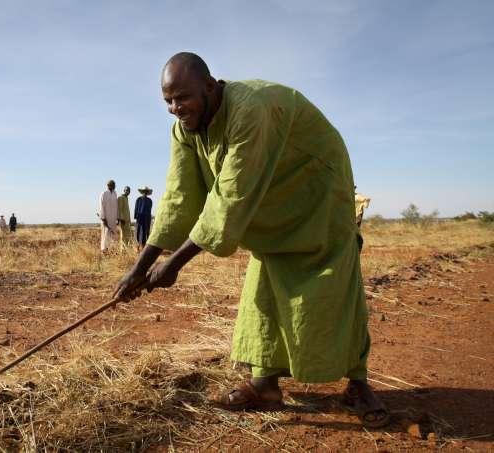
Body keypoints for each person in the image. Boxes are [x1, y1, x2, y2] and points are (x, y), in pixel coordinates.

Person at [112, 52, 388, 428]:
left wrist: (172, 265)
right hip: (270, 198)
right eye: (168, 100)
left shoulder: (249, 110)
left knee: (333, 281)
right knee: (265, 280)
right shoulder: (184, 131)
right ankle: (266, 386)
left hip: (316, 184)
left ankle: (358, 383)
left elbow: (228, 200)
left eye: (183, 97)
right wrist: (139, 268)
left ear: (210, 87)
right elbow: (179, 197)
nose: (176, 108)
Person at [99, 180, 119, 253]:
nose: (114, 186)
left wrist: (117, 218)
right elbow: (101, 207)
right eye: (112, 185)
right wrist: (103, 219)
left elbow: (116, 206)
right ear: (108, 185)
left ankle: (112, 251)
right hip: (106, 219)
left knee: (113, 235)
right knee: (105, 235)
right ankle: (104, 251)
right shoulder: (104, 193)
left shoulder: (115, 193)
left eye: (114, 185)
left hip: (113, 219)